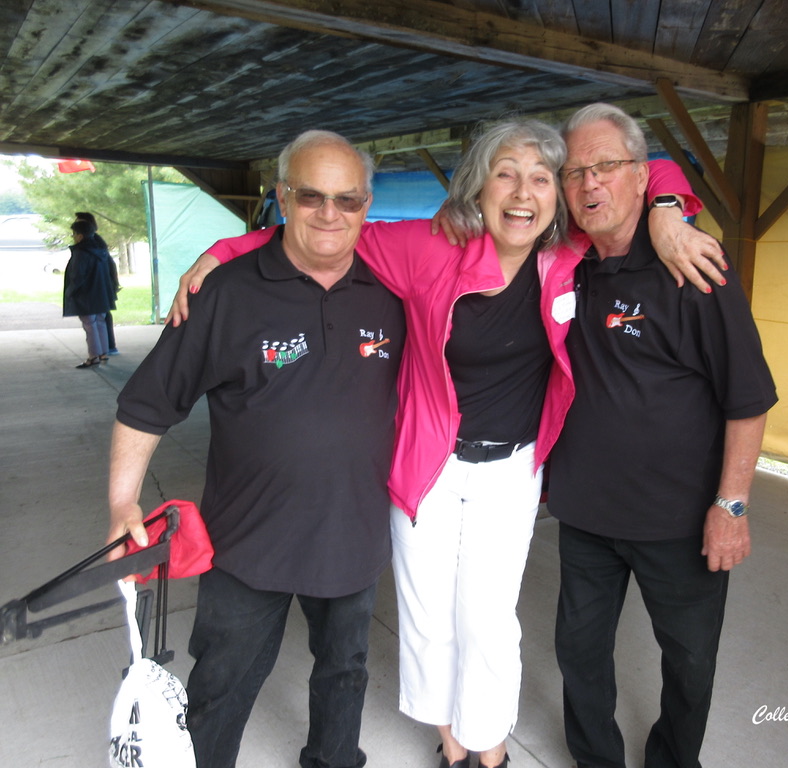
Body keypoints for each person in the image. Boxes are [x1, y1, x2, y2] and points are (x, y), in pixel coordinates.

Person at [170, 117, 726, 768]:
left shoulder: (567, 252)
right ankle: (453, 746)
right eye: (505, 174)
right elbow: (325, 229)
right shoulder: (429, 246)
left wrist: (667, 210)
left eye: (541, 178)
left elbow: (642, 170)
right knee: (428, 616)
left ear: (556, 194)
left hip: (511, 469)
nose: (523, 192)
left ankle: (491, 753)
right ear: (478, 187)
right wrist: (225, 249)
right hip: (429, 464)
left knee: (488, 620)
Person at [106, 131, 407, 768]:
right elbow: (149, 402)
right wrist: (121, 503)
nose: (330, 213)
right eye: (312, 196)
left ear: (367, 204)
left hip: (353, 535)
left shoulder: (392, 292)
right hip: (249, 541)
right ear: (282, 197)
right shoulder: (226, 293)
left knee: (345, 673)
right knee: (221, 685)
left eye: (348, 199)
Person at [546, 103, 778, 768]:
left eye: (606, 167)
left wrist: (732, 505)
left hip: (679, 519)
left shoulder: (695, 266)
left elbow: (747, 399)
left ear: (641, 176)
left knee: (689, 659)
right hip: (586, 514)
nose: (590, 184)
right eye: (574, 173)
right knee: (579, 651)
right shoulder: (566, 263)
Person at [63, 219, 117, 368]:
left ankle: (93, 356)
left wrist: (70, 292)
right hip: (102, 295)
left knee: (89, 325)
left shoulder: (81, 253)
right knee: (100, 323)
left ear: (80, 236)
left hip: (86, 296)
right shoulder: (101, 251)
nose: (73, 237)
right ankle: (103, 353)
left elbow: (77, 276)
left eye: (74, 234)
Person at [74, 212, 120, 354]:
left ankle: (100, 352)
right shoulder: (94, 243)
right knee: (99, 319)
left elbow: (106, 266)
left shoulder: (92, 244)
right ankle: (104, 351)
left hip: (97, 286)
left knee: (94, 322)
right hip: (100, 286)